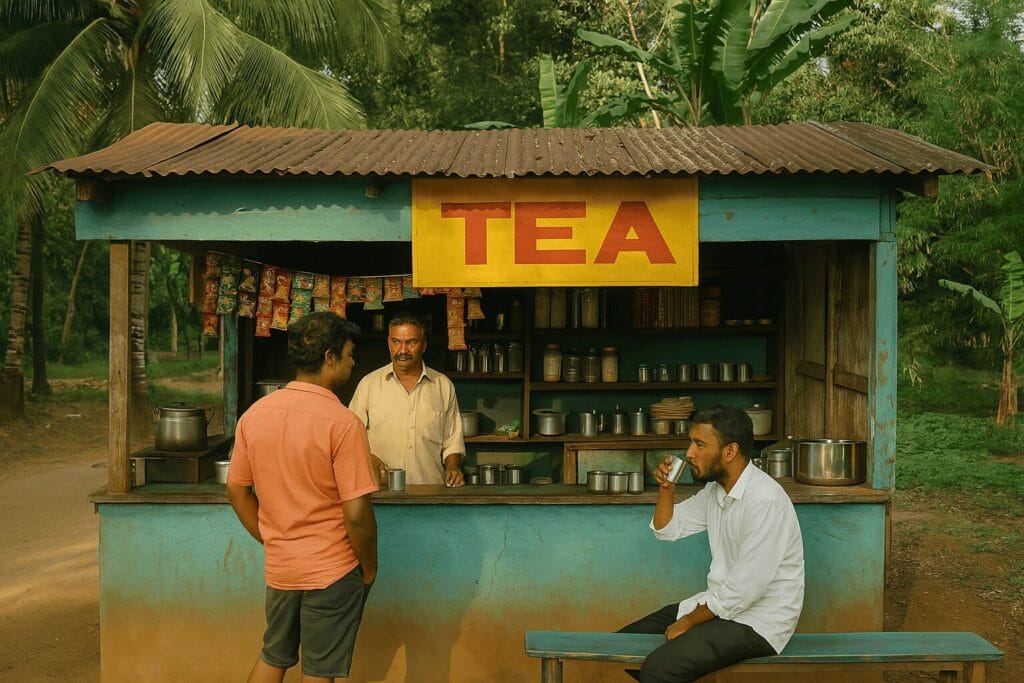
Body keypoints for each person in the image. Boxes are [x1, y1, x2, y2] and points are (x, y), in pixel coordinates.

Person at [226, 311, 378, 683]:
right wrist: (370, 566)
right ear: (329, 357)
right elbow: (357, 513)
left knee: (273, 657)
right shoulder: (343, 423)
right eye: (349, 353)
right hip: (332, 568)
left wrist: (272, 537)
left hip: (282, 568)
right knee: (318, 672)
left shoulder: (254, 415)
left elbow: (236, 489)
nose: (353, 361)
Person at [619, 405, 804, 683]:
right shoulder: (715, 491)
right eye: (691, 443)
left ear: (729, 451)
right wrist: (667, 489)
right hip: (720, 607)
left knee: (658, 670)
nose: (689, 453)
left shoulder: (764, 501)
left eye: (699, 444)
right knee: (622, 645)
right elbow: (667, 529)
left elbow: (745, 590)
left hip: (759, 621)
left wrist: (690, 621)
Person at [348, 312, 466, 487]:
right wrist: (369, 458)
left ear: (424, 345)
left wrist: (453, 467)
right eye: (396, 342)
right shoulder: (369, 384)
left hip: (430, 491)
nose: (403, 350)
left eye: (411, 342)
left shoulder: (442, 385)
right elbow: (350, 437)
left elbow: (452, 441)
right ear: (389, 344)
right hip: (381, 491)